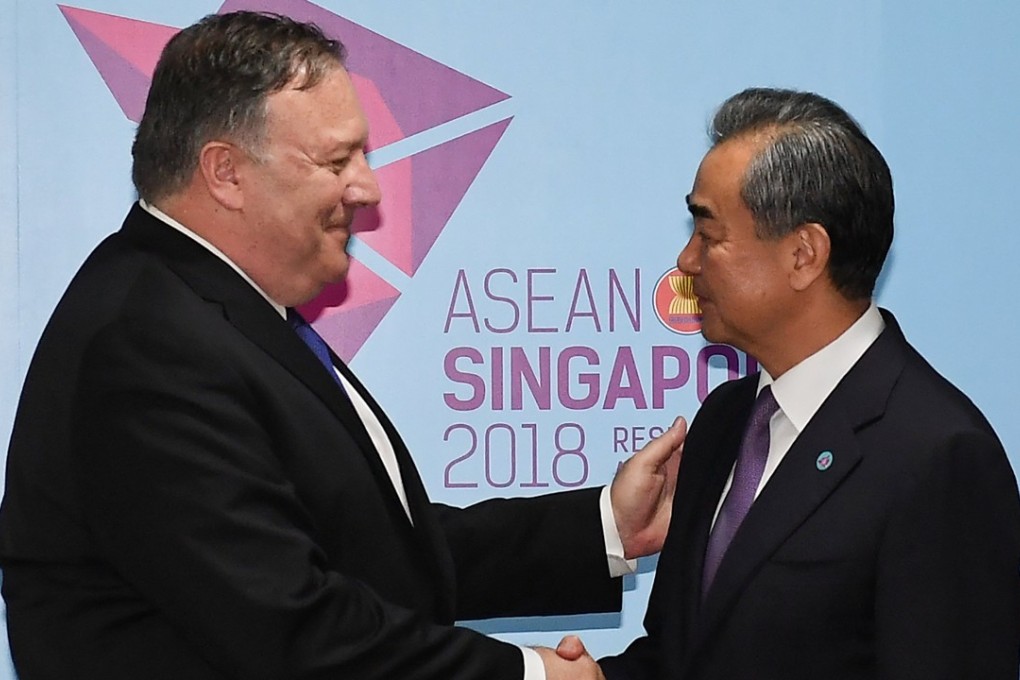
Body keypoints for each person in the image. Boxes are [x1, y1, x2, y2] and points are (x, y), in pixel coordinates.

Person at [0, 11, 686, 680]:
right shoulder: (149, 344)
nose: (368, 186)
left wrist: (602, 526)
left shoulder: (211, 316)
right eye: (337, 159)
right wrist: (529, 675)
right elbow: (288, 627)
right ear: (226, 172)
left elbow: (368, 553)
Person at [584, 88, 1020, 678]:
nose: (686, 261)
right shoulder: (725, 418)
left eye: (709, 236)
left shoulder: (937, 454)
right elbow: (682, 657)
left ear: (803, 255)